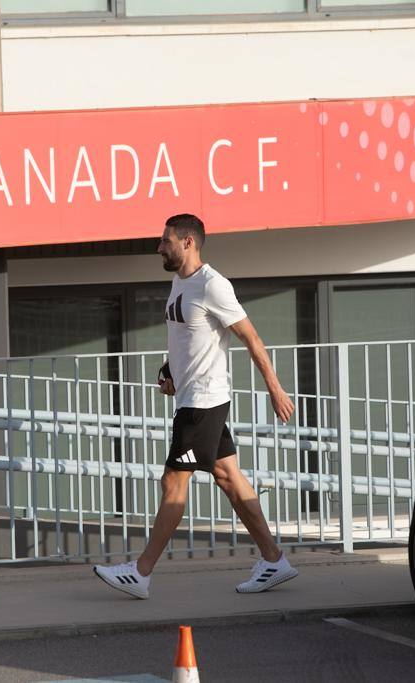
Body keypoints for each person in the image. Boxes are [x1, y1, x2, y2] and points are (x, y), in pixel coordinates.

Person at [94, 213, 298, 599]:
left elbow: (252, 339)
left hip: (204, 402)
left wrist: (275, 388)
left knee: (173, 481)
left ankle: (140, 572)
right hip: (192, 397)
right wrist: (169, 370)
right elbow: (184, 337)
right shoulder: (179, 282)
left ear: (188, 242)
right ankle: (274, 560)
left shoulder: (213, 285)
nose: (159, 247)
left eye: (165, 240)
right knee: (229, 478)